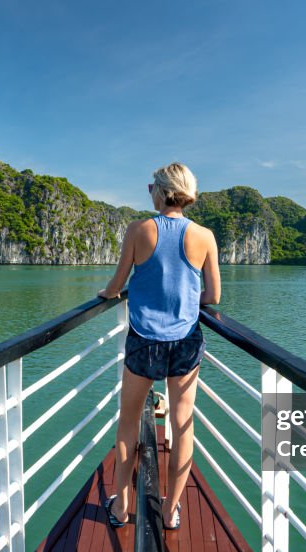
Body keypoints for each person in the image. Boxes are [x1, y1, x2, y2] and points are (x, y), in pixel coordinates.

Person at [97, 162, 221, 530]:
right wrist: (183, 300)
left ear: (162, 191)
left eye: (151, 185)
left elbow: (117, 285)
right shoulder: (204, 236)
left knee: (128, 422)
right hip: (185, 340)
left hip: (143, 341)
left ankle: (120, 507)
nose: (148, 189)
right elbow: (213, 295)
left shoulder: (138, 230)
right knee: (182, 425)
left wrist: (105, 294)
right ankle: (170, 511)